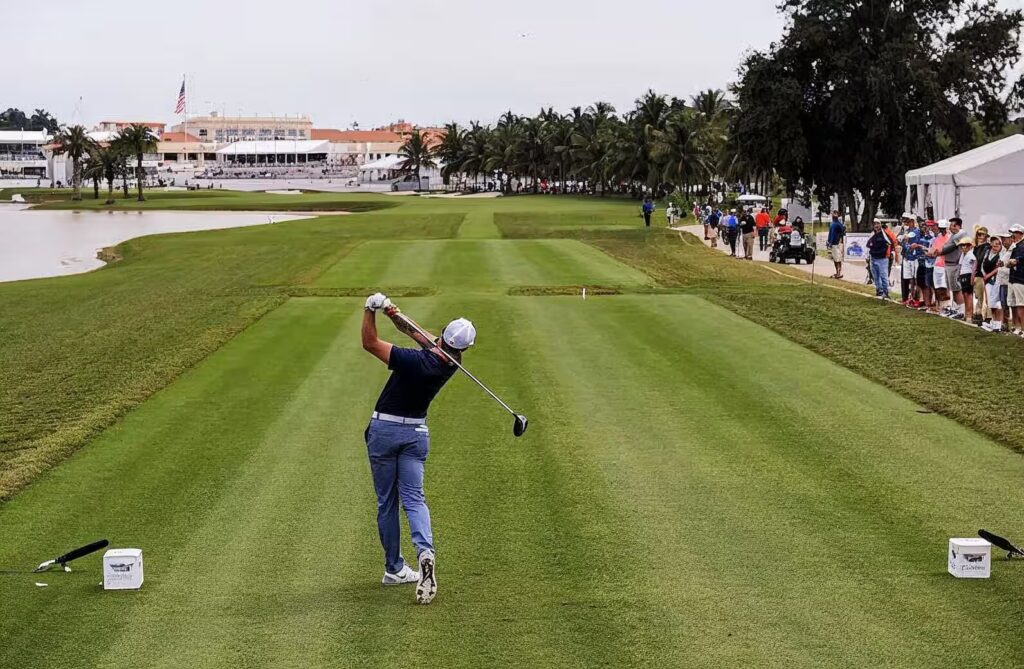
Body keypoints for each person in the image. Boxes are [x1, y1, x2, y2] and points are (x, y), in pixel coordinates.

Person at [360, 292, 477, 604]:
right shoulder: (452, 362)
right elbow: (414, 331)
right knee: (414, 499)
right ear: (463, 347)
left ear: (443, 335)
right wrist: (391, 311)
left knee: (387, 502)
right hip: (415, 434)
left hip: (385, 431)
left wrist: (369, 311)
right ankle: (425, 551)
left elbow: (370, 344)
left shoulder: (415, 360)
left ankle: (394, 568)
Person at [928, 217, 970, 318]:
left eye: (952, 225)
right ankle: (956, 309)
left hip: (955, 264)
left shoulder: (961, 234)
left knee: (956, 288)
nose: (950, 227)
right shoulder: (954, 235)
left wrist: (939, 252)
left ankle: (961, 311)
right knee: (953, 289)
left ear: (958, 226)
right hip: (949, 263)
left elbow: (949, 247)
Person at [980, 235, 1006, 332]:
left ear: (1000, 245)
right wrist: (984, 275)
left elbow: (999, 267)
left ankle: (999, 324)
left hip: (996, 280)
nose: (994, 247)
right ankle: (994, 322)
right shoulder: (987, 252)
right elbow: (982, 265)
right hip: (987, 280)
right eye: (993, 244)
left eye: (997, 245)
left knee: (997, 303)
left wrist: (989, 275)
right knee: (990, 303)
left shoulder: (1002, 254)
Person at [866, 219, 893, 298]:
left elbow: (891, 242)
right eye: (874, 224)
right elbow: (868, 246)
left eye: (877, 224)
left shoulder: (884, 234)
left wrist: (890, 253)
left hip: (882, 259)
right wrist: (868, 256)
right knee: (875, 276)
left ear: (880, 225)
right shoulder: (872, 234)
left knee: (884, 276)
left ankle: (886, 292)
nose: (876, 225)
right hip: (873, 258)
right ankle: (879, 290)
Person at [1006, 224, 1024, 337]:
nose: (1012, 235)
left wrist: (1015, 261)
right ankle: (1017, 327)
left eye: (1015, 233)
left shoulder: (1022, 246)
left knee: (1021, 305)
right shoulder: (1015, 246)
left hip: (1020, 279)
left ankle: (1023, 328)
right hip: (1012, 278)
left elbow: (1020, 259)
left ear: (1020, 234)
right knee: (1013, 304)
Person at [971, 227, 991, 324]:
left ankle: (985, 316)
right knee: (978, 296)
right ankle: (978, 314)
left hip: (983, 274)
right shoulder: (976, 247)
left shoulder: (987, 247)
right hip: (977, 274)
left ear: (986, 236)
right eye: (979, 234)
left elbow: (981, 261)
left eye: (982, 235)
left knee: (985, 297)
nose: (980, 236)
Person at [956, 237, 975, 322]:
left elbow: (974, 265)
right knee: (965, 295)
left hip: (968, 275)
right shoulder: (963, 255)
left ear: (969, 246)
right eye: (962, 245)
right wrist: (958, 275)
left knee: (969, 295)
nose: (963, 247)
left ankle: (970, 315)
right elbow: (960, 266)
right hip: (963, 275)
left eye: (965, 245)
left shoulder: (970, 254)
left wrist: (972, 277)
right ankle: (967, 313)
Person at [826, 210, 846, 279]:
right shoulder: (833, 223)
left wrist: (839, 240)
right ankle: (837, 272)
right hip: (832, 243)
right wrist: (829, 241)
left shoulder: (838, 224)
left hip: (836, 243)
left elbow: (842, 232)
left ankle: (838, 273)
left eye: (836, 213)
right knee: (835, 259)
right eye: (833, 213)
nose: (834, 215)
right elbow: (831, 234)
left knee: (838, 259)